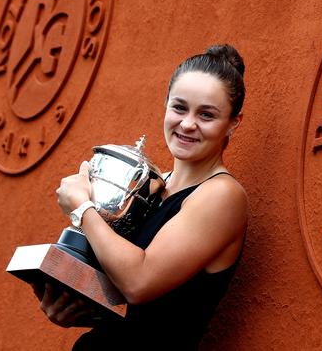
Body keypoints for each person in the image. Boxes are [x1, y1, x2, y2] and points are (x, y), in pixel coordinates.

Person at [31, 44, 249, 350]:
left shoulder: (222, 195)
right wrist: (70, 303)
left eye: (207, 115)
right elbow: (123, 295)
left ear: (233, 124)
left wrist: (82, 207)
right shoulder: (155, 186)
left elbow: (138, 282)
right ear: (165, 104)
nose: (187, 123)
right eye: (179, 107)